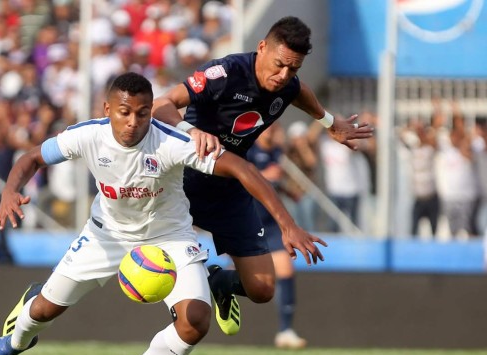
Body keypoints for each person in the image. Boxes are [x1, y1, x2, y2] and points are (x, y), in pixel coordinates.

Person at [0, 72, 326, 355]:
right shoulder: (87, 135)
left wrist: (287, 223)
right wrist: (11, 190)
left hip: (170, 238)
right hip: (105, 235)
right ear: (107, 108)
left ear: (151, 109)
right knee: (44, 311)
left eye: (142, 113)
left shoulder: (170, 142)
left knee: (195, 324)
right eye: (124, 112)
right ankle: (15, 343)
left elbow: (241, 168)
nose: (133, 122)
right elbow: (31, 158)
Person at [152, 16, 373, 335]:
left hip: (229, 190)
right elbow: (162, 104)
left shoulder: (289, 85)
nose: (284, 75)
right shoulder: (225, 73)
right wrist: (191, 130)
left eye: (293, 69)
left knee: (262, 289)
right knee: (190, 313)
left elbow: (301, 92)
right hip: (183, 183)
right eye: (280, 64)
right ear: (261, 48)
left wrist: (329, 122)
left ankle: (219, 280)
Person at [246, 123, 306, 349]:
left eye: (274, 127)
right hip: (246, 223)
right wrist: (265, 175)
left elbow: (273, 186)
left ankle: (285, 330)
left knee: (286, 269)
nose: (271, 131)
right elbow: (238, 178)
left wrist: (289, 192)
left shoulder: (277, 152)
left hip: (271, 225)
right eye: (267, 127)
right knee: (249, 280)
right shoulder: (248, 150)